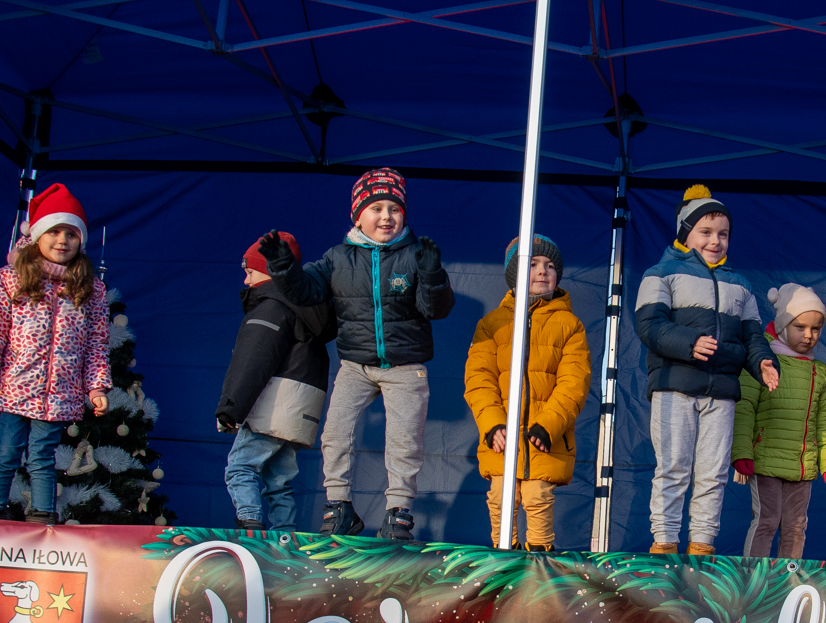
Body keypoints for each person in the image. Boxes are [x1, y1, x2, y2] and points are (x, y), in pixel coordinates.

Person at [262, 168, 453, 541]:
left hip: (404, 366)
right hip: (355, 365)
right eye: (377, 208)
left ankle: (398, 512)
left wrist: (432, 275)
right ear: (357, 215)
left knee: (403, 441)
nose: (386, 216)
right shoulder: (338, 257)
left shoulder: (414, 255)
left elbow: (435, 309)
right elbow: (305, 292)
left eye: (394, 209)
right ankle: (339, 507)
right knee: (335, 433)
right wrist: (283, 267)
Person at [635, 185, 778, 555]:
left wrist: (763, 362)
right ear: (685, 233)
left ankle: (702, 545)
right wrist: (689, 342)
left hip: (721, 392)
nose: (716, 241)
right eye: (706, 232)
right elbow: (649, 325)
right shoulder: (661, 274)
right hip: (675, 387)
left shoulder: (740, 284)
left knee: (713, 472)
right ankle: (665, 543)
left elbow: (753, 336)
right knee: (673, 467)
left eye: (723, 234)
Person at [0, 184, 112, 523]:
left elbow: (96, 344)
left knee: (42, 456)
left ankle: (43, 517)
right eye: (54, 231)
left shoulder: (90, 288)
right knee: (4, 452)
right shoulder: (10, 279)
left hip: (58, 394)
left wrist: (96, 387)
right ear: (37, 235)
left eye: (71, 234)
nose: (62, 240)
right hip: (14, 389)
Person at [464, 234, 592, 551]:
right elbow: (479, 379)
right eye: (532, 264)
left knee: (537, 496)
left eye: (550, 266)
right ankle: (504, 553)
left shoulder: (570, 325)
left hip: (545, 435)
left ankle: (539, 555)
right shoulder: (492, 324)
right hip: (503, 436)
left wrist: (548, 425)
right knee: (500, 496)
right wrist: (493, 425)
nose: (543, 271)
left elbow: (574, 383)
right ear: (515, 273)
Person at [215, 231, 336, 532]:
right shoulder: (309, 311)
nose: (246, 280)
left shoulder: (271, 307)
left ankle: (250, 523)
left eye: (250, 271)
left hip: (272, 410)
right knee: (279, 481)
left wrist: (231, 407)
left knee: (240, 468)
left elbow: (252, 362)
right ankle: (285, 534)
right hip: (300, 413)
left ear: (269, 271)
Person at [732, 283, 826, 559]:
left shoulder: (820, 372)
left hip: (802, 464)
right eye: (800, 327)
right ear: (782, 325)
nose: (808, 335)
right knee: (767, 521)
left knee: (796, 526)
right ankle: (753, 575)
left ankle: (788, 579)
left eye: (816, 329)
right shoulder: (762, 362)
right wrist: (742, 453)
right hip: (766, 460)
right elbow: (744, 409)